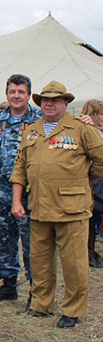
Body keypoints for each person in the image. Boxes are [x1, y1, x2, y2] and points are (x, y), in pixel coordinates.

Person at [11, 81, 103, 328]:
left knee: (74, 263)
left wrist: (84, 179)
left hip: (71, 209)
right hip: (39, 206)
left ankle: (72, 310)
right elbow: (20, 168)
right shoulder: (31, 130)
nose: (49, 104)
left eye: (55, 100)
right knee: (39, 261)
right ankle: (41, 306)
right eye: (45, 100)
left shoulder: (82, 128)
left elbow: (101, 159)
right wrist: (17, 200)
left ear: (66, 103)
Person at [0, 74, 41, 304]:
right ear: (6, 94)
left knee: (32, 242)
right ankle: (8, 285)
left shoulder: (40, 119)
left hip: (30, 191)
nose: (16, 96)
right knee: (3, 239)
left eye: (21, 92)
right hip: (2, 189)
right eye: (12, 92)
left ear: (29, 95)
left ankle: (36, 291)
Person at [80, 99, 103, 268]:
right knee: (90, 219)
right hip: (93, 181)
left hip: (98, 180)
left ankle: (91, 252)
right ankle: (88, 253)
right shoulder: (88, 132)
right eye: (101, 114)